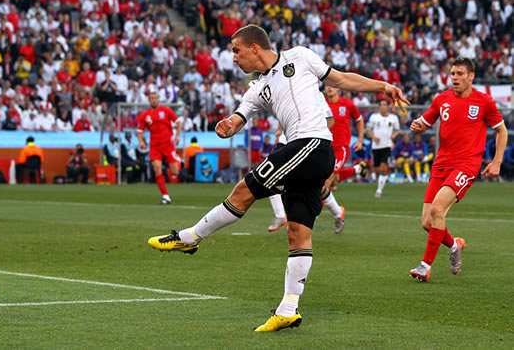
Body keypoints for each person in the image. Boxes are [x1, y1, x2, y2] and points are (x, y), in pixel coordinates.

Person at [147, 24, 408, 331]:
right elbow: (241, 114)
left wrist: (382, 86)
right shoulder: (257, 86)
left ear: (254, 47)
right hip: (304, 153)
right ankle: (288, 309)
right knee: (298, 231)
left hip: (312, 145)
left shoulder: (299, 56)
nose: (234, 58)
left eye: (236, 51)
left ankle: (190, 238)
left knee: (245, 189)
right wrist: (229, 124)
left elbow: (340, 78)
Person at [408, 57, 506, 282]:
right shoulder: (441, 99)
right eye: (452, 74)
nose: (455, 78)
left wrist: (496, 161)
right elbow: (425, 122)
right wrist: (417, 126)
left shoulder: (484, 102)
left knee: (437, 210)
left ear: (471, 76)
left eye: (460, 74)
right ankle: (454, 245)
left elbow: (502, 131)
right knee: (427, 222)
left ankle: (424, 266)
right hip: (441, 164)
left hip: (467, 165)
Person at [321, 85, 366, 234]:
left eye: (333, 86)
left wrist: (360, 140)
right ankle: (338, 213)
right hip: (324, 148)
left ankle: (313, 214)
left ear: (338, 89)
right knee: (334, 179)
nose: (330, 88)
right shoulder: (321, 102)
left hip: (341, 149)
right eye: (327, 86)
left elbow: (359, 120)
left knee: (326, 181)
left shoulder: (348, 104)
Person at [136, 92, 181, 204]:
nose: (154, 100)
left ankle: (176, 160)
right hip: (155, 146)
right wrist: (141, 141)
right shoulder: (145, 115)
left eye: (155, 98)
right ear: (149, 100)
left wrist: (177, 136)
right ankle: (165, 196)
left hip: (168, 144)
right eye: (151, 98)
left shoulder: (166, 110)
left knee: (175, 172)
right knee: (156, 168)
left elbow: (178, 122)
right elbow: (139, 131)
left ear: (158, 99)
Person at [366, 99, 400, 198]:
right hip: (376, 146)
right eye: (381, 105)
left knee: (383, 167)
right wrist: (373, 137)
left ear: (388, 106)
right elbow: (368, 129)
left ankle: (379, 190)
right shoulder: (374, 117)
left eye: (385, 105)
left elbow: (397, 130)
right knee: (377, 169)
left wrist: (393, 135)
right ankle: (382, 179)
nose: (383, 106)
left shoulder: (393, 118)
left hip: (387, 145)